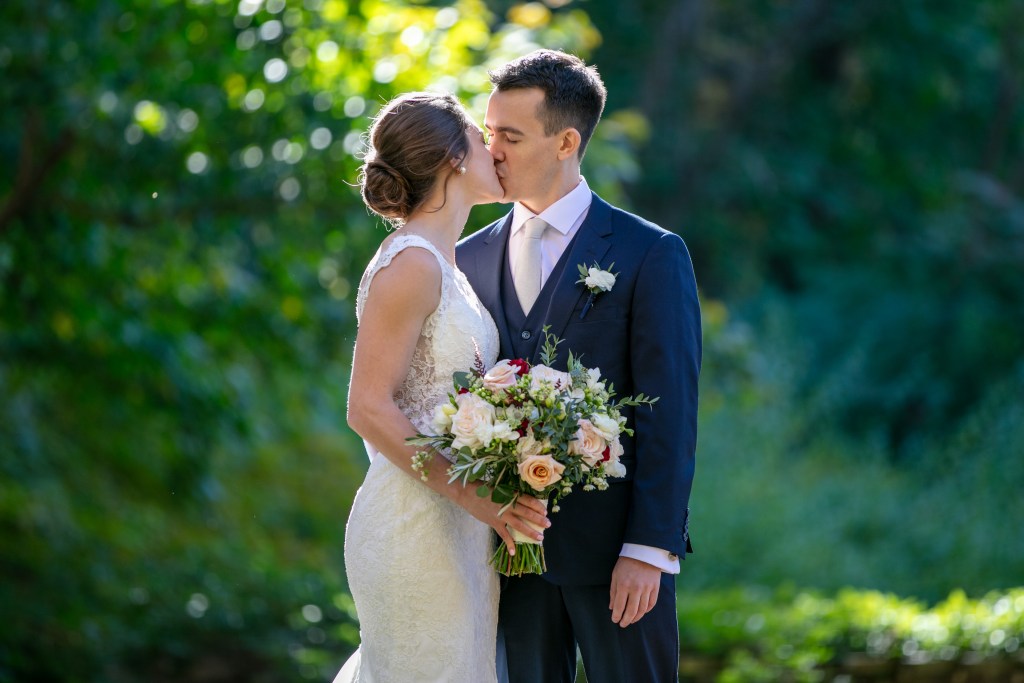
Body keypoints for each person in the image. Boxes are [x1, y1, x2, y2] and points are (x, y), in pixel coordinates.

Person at [457, 50, 701, 682]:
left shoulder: (650, 253)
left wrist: (650, 550)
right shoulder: (464, 258)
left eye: (510, 136)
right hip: (505, 561)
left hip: (617, 559)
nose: (493, 152)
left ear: (566, 141)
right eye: (489, 135)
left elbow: (670, 411)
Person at [335, 92, 550, 683]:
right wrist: (479, 497)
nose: (496, 152)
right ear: (456, 157)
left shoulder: (447, 265)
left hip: (459, 527)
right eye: (484, 140)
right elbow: (367, 408)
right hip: (413, 526)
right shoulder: (410, 264)